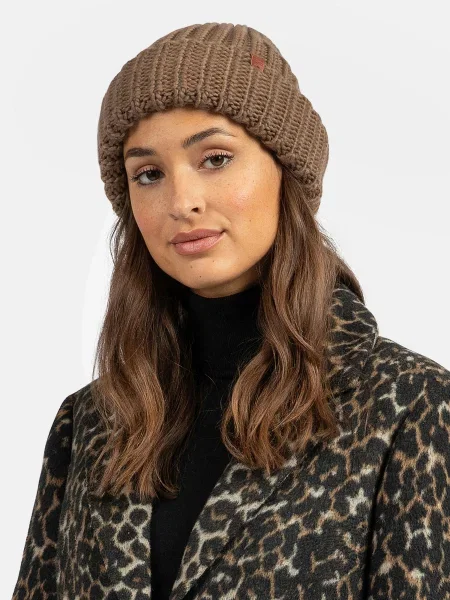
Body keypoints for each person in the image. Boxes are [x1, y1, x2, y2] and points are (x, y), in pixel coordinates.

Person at [12, 22, 450, 600]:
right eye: (148, 174)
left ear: (285, 169)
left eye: (215, 159)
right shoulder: (90, 425)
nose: (182, 201)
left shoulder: (409, 406)